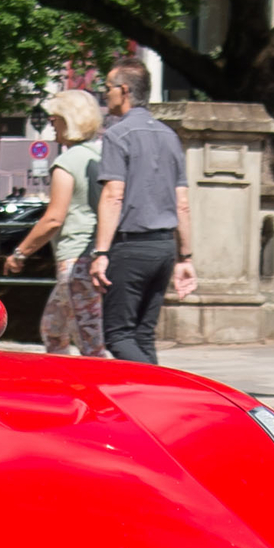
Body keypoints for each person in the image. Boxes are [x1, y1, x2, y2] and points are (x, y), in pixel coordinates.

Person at [84, 63, 194, 363]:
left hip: (131, 247)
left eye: (107, 87)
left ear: (124, 90)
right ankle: (153, 402)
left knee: (119, 335)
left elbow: (113, 195)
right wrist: (185, 257)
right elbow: (181, 201)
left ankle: (165, 394)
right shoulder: (169, 136)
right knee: (143, 335)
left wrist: (101, 252)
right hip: (163, 248)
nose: (105, 94)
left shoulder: (118, 135)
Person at [3, 89, 106, 357]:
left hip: (76, 258)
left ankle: (100, 391)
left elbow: (53, 218)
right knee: (53, 328)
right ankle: (63, 382)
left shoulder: (67, 163)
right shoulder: (98, 157)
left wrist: (19, 252)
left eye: (55, 119)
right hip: (91, 254)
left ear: (69, 120)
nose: (52, 126)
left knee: (89, 340)